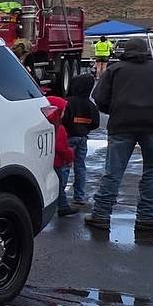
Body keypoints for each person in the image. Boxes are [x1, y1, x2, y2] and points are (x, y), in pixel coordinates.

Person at [84, 37, 153, 232]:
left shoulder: (115, 70)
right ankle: (147, 217)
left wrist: (116, 111)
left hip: (122, 124)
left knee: (113, 172)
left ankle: (101, 215)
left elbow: (100, 98)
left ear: (125, 51)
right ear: (147, 50)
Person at [62, 73, 100, 206]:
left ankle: (61, 195)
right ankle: (79, 196)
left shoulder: (68, 102)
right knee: (80, 167)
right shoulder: (90, 105)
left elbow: (63, 119)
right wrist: (85, 128)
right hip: (82, 138)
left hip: (68, 137)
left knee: (65, 166)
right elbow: (95, 123)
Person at [47, 96, 77, 217]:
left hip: (49, 161)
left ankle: (62, 206)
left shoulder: (47, 126)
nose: (64, 113)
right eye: (63, 110)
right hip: (57, 162)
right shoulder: (59, 128)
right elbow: (62, 148)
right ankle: (63, 207)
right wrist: (70, 156)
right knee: (59, 186)